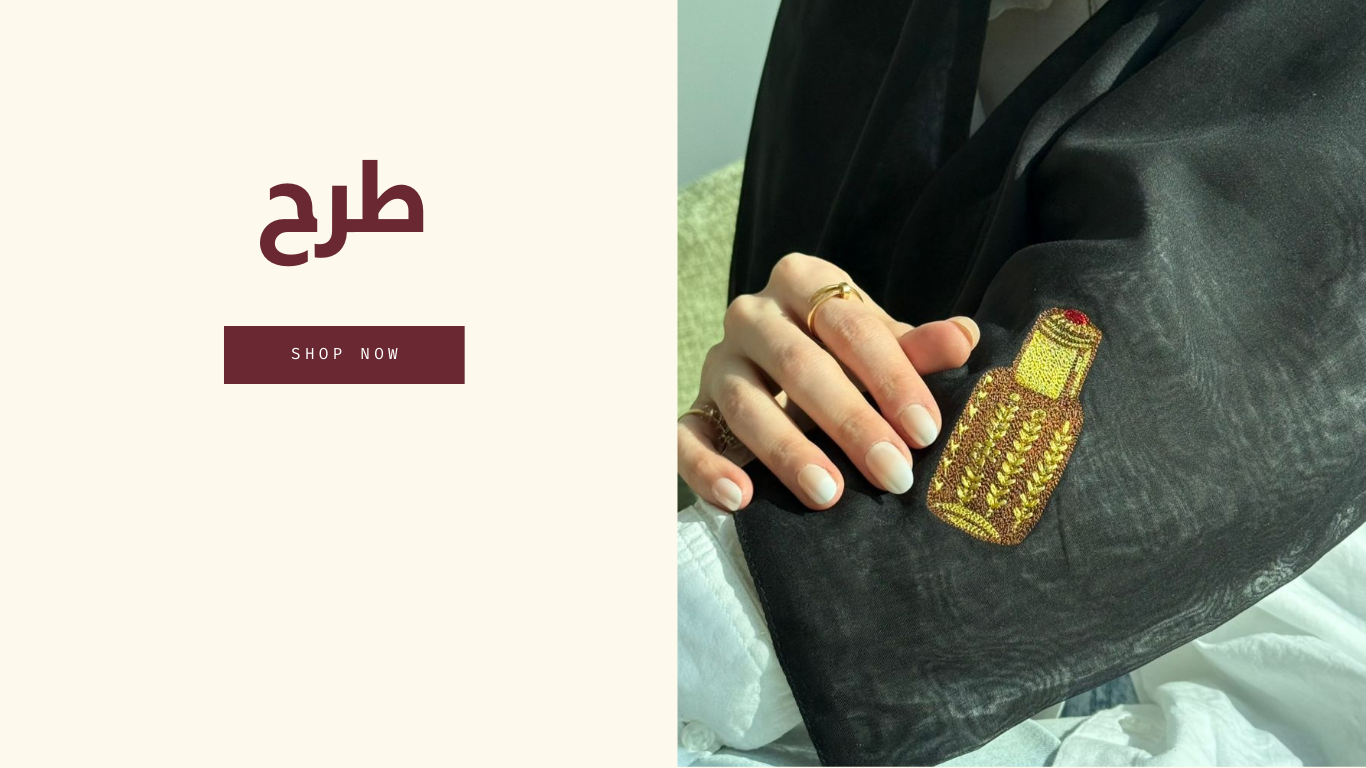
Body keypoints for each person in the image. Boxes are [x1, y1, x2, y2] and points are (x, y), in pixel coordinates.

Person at [678, 0, 1366, 763]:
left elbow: (1158, 407)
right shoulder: (855, 30)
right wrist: (759, 420)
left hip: (1275, 693)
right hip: (910, 673)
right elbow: (759, 499)